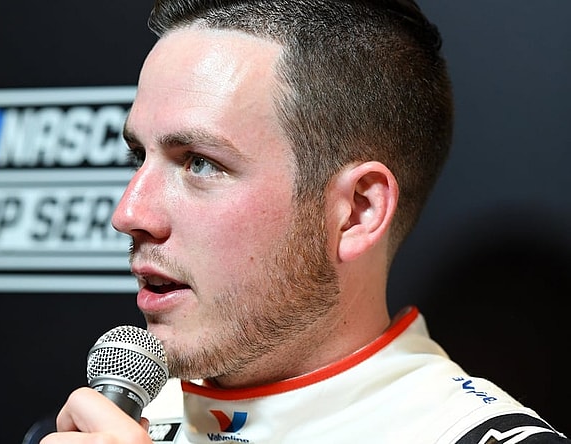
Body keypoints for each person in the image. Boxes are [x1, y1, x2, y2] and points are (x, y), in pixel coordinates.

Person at [41, 0, 569, 442]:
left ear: (358, 211)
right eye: (140, 157)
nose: (128, 214)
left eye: (201, 163)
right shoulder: (102, 424)